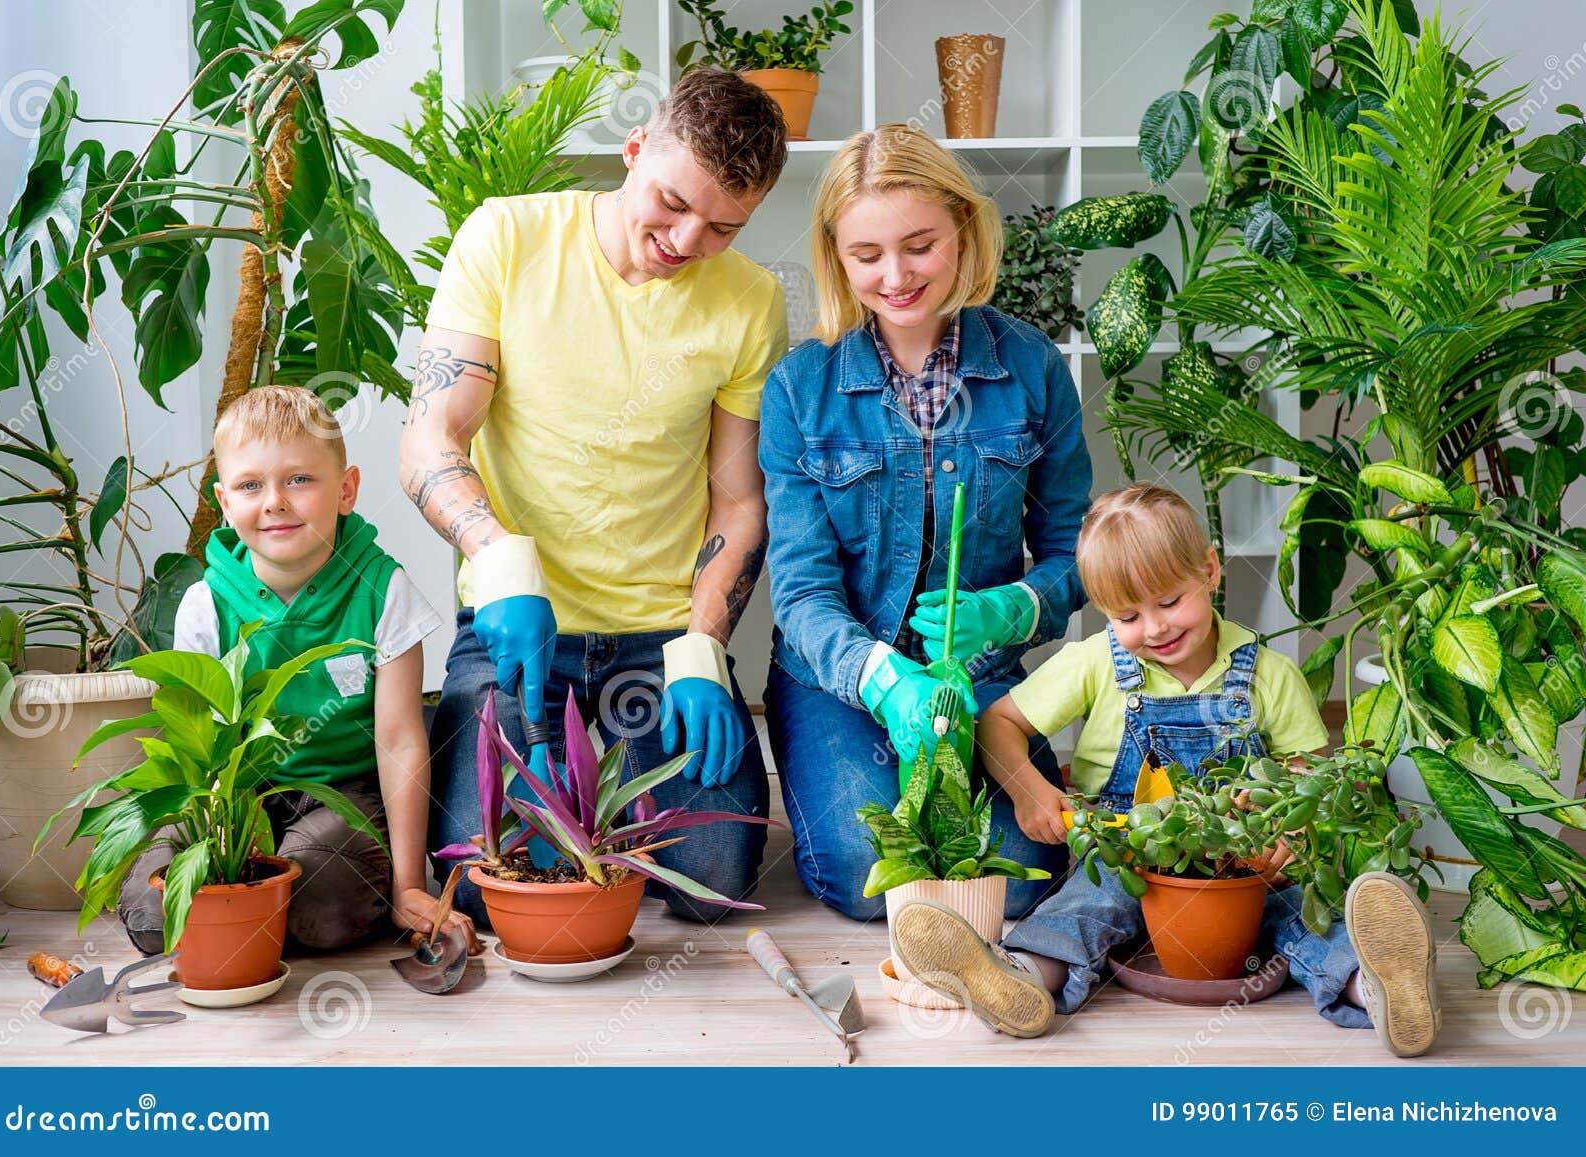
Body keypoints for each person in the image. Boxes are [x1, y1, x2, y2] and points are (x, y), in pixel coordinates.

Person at [402, 69, 790, 923]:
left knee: (715, 885)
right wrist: (498, 561)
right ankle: (589, 823)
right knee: (483, 876)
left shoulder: (752, 301)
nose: (687, 240)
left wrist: (702, 647)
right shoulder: (506, 237)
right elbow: (431, 438)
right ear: (634, 148)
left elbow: (738, 503)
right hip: (518, 629)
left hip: (657, 642)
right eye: (672, 202)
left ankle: (615, 806)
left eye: (724, 226)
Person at [891, 483, 1442, 1057]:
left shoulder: (1271, 675)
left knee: (1307, 915)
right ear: (1105, 613)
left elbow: (1306, 778)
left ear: (1209, 571)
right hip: (1131, 858)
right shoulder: (1097, 662)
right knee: (1086, 904)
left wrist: (1293, 838)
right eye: (1128, 615)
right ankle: (1019, 979)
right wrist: (1030, 791)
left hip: (1247, 870)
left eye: (1170, 602)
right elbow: (999, 724)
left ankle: (1379, 987)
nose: (1154, 628)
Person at [760, 123, 1092, 921]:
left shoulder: (1032, 367)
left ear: (965, 233)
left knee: (1024, 875)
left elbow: (1076, 553)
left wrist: (1015, 608)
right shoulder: (800, 389)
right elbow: (801, 592)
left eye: (919, 245)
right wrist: (882, 679)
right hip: (842, 685)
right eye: (866, 254)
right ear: (837, 255)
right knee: (872, 877)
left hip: (981, 684)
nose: (896, 275)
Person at [117, 386, 479, 957]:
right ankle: (247, 914)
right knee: (151, 911)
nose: (275, 502)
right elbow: (202, 748)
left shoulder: (382, 590)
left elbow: (400, 739)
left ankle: (286, 908)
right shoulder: (206, 604)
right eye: (250, 485)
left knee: (321, 907)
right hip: (235, 796)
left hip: (342, 793)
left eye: (300, 480)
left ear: (346, 490)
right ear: (225, 500)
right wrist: (224, 849)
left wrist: (408, 886)